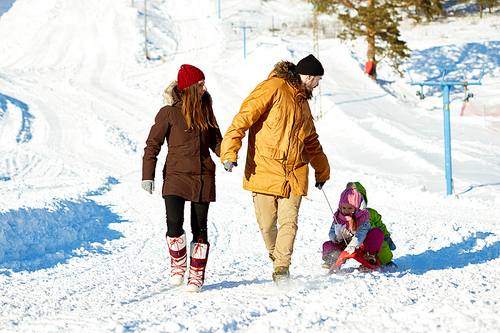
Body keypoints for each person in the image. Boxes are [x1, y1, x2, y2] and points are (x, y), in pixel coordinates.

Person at [220, 54, 330, 283]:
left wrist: (322, 171)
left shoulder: (303, 103)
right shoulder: (272, 88)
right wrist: (229, 150)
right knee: (268, 225)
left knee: (289, 222)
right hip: (264, 168)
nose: (318, 85)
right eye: (317, 80)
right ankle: (276, 254)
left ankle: (281, 269)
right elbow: (243, 118)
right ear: (308, 77)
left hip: (295, 172)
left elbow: (311, 140)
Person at [142, 64, 222, 292]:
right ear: (187, 87)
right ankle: (178, 262)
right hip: (176, 176)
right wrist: (147, 175)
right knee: (174, 224)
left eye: (204, 84)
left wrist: (227, 154)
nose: (204, 88)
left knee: (200, 229)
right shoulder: (168, 113)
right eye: (200, 85)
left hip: (202, 175)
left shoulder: (207, 111)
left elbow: (217, 140)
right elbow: (152, 145)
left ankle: (196, 273)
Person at [322, 182, 385, 270]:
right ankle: (333, 258)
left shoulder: (362, 218)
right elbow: (331, 231)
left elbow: (361, 233)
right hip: (344, 243)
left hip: (362, 244)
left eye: (350, 208)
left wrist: (353, 245)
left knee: (377, 232)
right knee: (327, 244)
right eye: (344, 208)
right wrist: (337, 237)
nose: (346, 211)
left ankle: (370, 257)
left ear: (356, 207)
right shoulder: (338, 217)